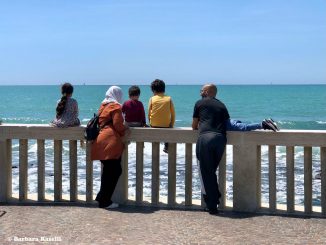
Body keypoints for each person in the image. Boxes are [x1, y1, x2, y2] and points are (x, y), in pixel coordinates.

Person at [192, 84, 230, 215]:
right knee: (211, 171)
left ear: (207, 92)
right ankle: (214, 198)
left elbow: (194, 125)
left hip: (205, 138)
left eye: (202, 90)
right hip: (220, 139)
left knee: (206, 172)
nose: (200, 92)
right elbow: (227, 124)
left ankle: (212, 204)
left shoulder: (199, 103)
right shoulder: (222, 105)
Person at [91, 86, 127, 209]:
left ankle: (102, 198)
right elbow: (118, 125)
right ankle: (104, 201)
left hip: (100, 140)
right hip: (110, 142)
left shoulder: (103, 106)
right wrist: (126, 129)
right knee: (116, 170)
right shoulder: (116, 106)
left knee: (108, 171)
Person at [148, 79, 175, 153]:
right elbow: (173, 114)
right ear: (164, 89)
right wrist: (171, 124)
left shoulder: (152, 99)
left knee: (155, 134)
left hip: (154, 124)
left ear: (153, 90)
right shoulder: (169, 99)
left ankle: (156, 143)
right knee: (168, 131)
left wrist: (150, 123)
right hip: (166, 125)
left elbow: (149, 113)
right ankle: (166, 146)